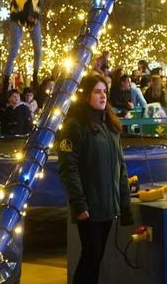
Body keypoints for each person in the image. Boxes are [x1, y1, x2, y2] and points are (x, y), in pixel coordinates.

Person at [57, 73, 133, 284]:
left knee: (96, 258)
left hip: (108, 207)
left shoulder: (111, 127)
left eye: (105, 92)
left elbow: (121, 168)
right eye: (97, 91)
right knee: (90, 257)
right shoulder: (75, 126)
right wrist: (79, 204)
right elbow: (68, 168)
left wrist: (124, 205)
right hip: (90, 208)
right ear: (86, 95)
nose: (103, 96)